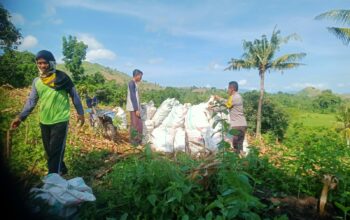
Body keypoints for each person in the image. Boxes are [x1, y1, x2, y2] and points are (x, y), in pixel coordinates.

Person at [11, 50, 85, 175]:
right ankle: (61, 170)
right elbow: (31, 101)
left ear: (51, 63)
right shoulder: (37, 81)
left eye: (44, 63)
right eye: (39, 63)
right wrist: (20, 117)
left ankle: (52, 179)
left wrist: (81, 113)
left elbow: (75, 96)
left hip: (60, 120)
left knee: (55, 151)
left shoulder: (63, 78)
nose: (42, 66)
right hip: (44, 121)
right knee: (49, 151)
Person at [215, 81, 247, 153]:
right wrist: (220, 99)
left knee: (235, 146)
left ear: (232, 88)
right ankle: (242, 161)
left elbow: (226, 106)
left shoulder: (234, 97)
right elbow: (227, 102)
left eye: (228, 88)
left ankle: (236, 161)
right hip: (242, 125)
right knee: (239, 146)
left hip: (237, 126)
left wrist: (213, 109)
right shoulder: (237, 96)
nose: (227, 90)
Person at [126, 69, 143, 145]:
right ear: (137, 75)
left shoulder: (135, 83)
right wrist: (136, 109)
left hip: (135, 108)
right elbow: (133, 97)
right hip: (133, 108)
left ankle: (138, 141)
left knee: (138, 124)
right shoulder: (131, 83)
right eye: (140, 76)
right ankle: (134, 142)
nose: (141, 78)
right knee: (135, 125)